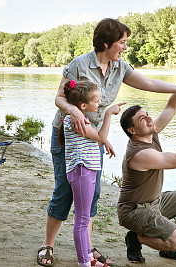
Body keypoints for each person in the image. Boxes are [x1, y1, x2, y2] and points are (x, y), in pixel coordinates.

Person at [38, 17, 176, 266]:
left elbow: (151, 84)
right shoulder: (79, 65)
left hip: (95, 138)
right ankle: (48, 245)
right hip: (69, 138)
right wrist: (73, 110)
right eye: (122, 42)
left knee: (93, 194)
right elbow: (59, 98)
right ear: (106, 43)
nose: (125, 47)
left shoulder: (121, 68)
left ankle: (86, 247)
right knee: (64, 192)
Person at [117, 64, 176, 264]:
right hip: (134, 211)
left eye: (147, 114)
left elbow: (172, 106)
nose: (149, 118)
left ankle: (168, 250)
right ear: (132, 130)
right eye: (142, 118)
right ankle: (135, 238)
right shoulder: (140, 154)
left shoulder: (150, 134)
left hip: (154, 202)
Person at [57, 79, 122, 267]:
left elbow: (96, 139)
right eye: (97, 100)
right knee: (82, 219)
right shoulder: (76, 121)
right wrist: (109, 113)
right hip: (82, 170)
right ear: (83, 105)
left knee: (84, 219)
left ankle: (88, 257)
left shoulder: (80, 119)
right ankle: (84, 262)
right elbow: (100, 137)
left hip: (86, 170)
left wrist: (105, 142)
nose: (100, 103)